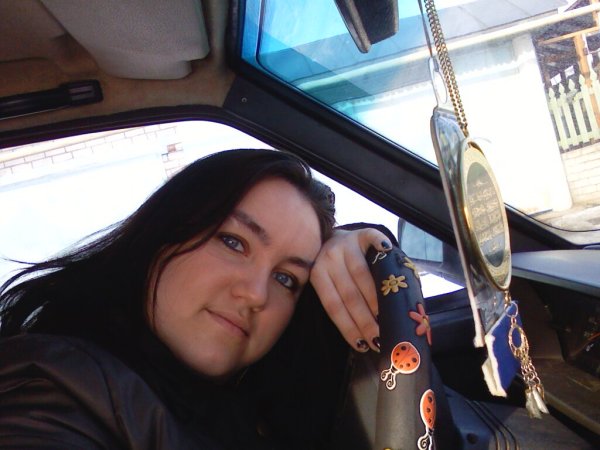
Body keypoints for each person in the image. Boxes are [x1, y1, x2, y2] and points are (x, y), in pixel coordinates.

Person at [0, 148, 392, 449]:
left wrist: (360, 256)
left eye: (286, 278)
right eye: (233, 242)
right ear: (163, 235)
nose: (256, 294)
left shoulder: (255, 399)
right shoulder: (52, 388)